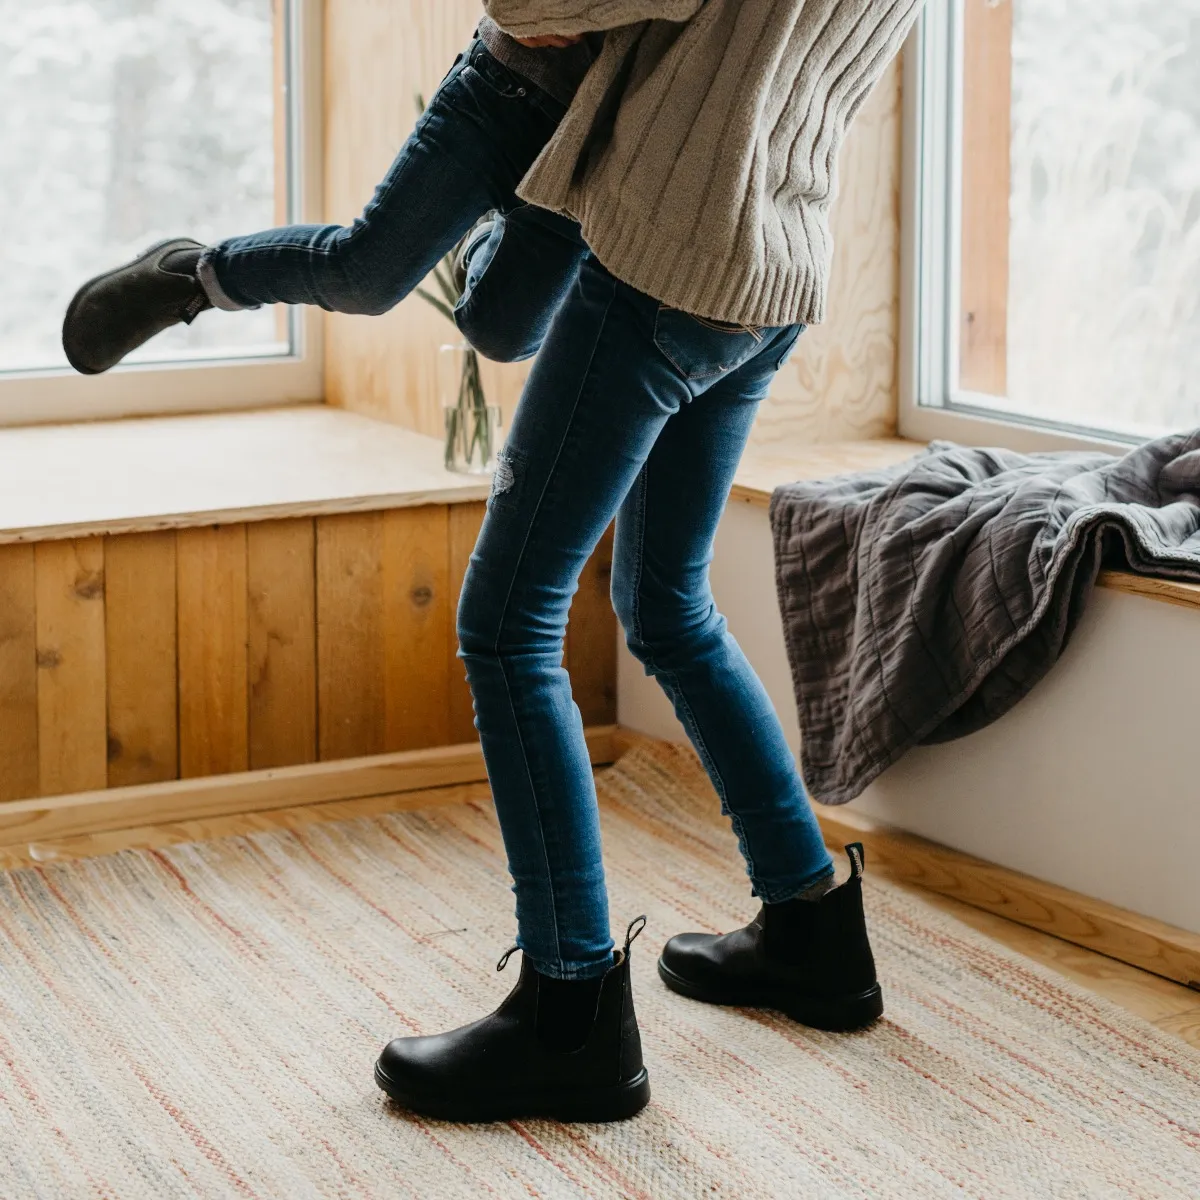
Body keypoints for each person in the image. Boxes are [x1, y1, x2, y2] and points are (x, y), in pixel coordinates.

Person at [372, 0, 926, 1125]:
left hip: (669, 250)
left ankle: (567, 1012)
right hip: (771, 263)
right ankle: (811, 933)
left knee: (507, 620)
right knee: (666, 604)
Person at [61, 21, 598, 375]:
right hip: (508, 89)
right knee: (365, 279)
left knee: (505, 335)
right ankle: (191, 275)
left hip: (595, 152)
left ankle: (487, 233)